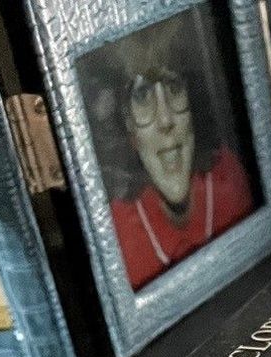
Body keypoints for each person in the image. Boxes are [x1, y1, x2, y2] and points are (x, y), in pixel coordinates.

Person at [104, 21, 254, 292]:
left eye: (174, 87)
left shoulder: (228, 176)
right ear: (129, 126)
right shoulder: (117, 237)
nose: (165, 120)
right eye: (142, 96)